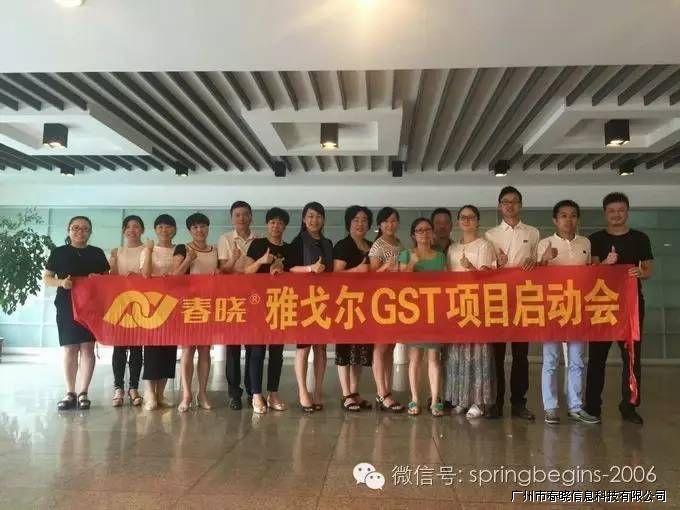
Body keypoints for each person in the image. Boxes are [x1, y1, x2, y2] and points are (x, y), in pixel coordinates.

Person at [585, 192, 653, 425]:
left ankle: (630, 405)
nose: (616, 215)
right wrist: (606, 264)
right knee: (597, 357)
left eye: (621, 210)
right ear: (605, 213)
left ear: (627, 212)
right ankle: (592, 406)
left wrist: (640, 272)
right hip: (601, 304)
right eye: (612, 211)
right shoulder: (594, 239)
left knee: (631, 357)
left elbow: (648, 270)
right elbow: (590, 272)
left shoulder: (640, 238)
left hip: (630, 305)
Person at [537, 200, 600, 425]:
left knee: (577, 360)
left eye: (573, 215)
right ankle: (550, 408)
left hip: (577, 308)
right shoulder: (544, 243)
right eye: (563, 215)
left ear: (578, 219)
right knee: (551, 360)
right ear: (555, 220)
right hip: (552, 308)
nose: (568, 220)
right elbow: (535, 278)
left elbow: (590, 274)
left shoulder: (585, 243)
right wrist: (544, 260)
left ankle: (575, 407)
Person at [43, 216, 110, 411]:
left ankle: (83, 393)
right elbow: (47, 278)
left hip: (91, 306)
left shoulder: (97, 253)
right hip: (66, 304)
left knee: (88, 348)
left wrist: (98, 279)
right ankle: (70, 392)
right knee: (70, 348)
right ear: (69, 230)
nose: (80, 231)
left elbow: (107, 278)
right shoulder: (59, 252)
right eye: (76, 228)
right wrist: (61, 282)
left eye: (85, 228)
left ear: (90, 232)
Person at [485, 186, 539, 420]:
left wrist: (534, 262)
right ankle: (495, 403)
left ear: (520, 205)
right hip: (497, 300)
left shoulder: (533, 233)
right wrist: (498, 263)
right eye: (505, 202)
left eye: (514, 201)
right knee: (496, 356)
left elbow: (538, 264)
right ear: (499, 206)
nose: (510, 205)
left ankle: (519, 403)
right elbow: (486, 269)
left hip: (523, 299)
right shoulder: (490, 235)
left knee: (520, 355)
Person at [444, 205, 497, 418]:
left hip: (477, 305)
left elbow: (487, 278)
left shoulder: (484, 245)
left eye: (471, 217)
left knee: (477, 354)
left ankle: (478, 401)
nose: (466, 221)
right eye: (463, 217)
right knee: (457, 353)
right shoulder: (452, 248)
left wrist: (471, 267)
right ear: (458, 221)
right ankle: (460, 398)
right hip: (457, 305)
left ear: (477, 221)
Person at [286, 202, 333, 413]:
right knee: (303, 348)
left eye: (318, 216)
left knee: (321, 348)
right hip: (304, 301)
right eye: (311, 216)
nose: (315, 220)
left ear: (323, 220)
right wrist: (310, 269)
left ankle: (318, 391)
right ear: (304, 219)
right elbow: (289, 268)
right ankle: (303, 391)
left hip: (325, 300)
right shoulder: (298, 242)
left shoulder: (327, 243)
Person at [243, 207, 289, 414]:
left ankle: (273, 393)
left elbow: (294, 275)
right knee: (257, 350)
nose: (276, 226)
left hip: (280, 304)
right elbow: (246, 272)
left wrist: (280, 270)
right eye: (272, 222)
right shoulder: (258, 244)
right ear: (267, 224)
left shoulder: (289, 248)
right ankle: (255, 394)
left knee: (277, 351)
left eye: (280, 223)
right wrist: (262, 261)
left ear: (284, 226)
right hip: (257, 304)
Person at [399, 218, 447, 417]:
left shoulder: (440, 257)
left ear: (432, 233)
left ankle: (435, 400)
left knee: (434, 358)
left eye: (427, 229)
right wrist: (412, 263)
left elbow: (447, 283)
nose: (424, 233)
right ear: (413, 235)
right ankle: (415, 399)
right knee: (415, 358)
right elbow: (401, 282)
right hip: (413, 313)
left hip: (435, 312)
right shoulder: (406, 254)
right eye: (419, 230)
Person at [174, 212, 219, 412]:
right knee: (187, 350)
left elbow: (220, 275)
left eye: (203, 226)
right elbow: (175, 276)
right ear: (190, 230)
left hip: (208, 305)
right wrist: (188, 260)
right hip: (188, 305)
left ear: (208, 228)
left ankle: (202, 393)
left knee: (205, 350)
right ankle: (186, 394)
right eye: (195, 227)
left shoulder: (214, 250)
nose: (199, 230)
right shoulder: (183, 248)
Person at [218, 200, 258, 410]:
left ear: (251, 217)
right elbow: (223, 270)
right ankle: (234, 393)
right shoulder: (224, 239)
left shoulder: (259, 239)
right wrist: (234, 259)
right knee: (232, 349)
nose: (241, 218)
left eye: (245, 214)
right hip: (232, 300)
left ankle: (253, 391)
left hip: (254, 300)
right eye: (237, 215)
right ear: (231, 218)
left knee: (253, 348)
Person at [333, 206, 374, 412]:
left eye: (364, 220)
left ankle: (355, 392)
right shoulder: (343, 245)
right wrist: (357, 270)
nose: (360, 223)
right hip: (346, 304)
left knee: (360, 351)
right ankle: (346, 394)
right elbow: (335, 275)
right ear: (348, 223)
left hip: (367, 305)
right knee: (345, 350)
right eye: (356, 219)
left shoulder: (372, 246)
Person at [140, 214, 179, 411]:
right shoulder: (148, 249)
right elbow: (146, 274)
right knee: (152, 349)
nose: (165, 230)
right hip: (152, 304)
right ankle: (149, 394)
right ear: (155, 230)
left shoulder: (179, 250)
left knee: (169, 350)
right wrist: (148, 250)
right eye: (161, 227)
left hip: (173, 305)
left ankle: (161, 393)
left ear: (174, 230)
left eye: (169, 226)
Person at [368, 207, 405, 413]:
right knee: (380, 348)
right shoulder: (378, 246)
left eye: (393, 221)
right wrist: (386, 268)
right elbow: (371, 276)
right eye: (386, 221)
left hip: (396, 301)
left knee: (390, 347)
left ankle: (386, 390)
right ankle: (382, 393)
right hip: (381, 301)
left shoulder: (399, 243)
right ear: (380, 224)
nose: (390, 225)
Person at [109, 215, 145, 407]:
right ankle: (118, 388)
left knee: (137, 348)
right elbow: (112, 277)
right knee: (120, 347)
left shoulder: (147, 250)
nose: (132, 230)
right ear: (124, 230)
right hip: (120, 303)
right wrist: (113, 265)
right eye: (128, 227)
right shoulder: (117, 251)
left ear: (142, 230)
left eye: (136, 226)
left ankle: (134, 387)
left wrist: (139, 276)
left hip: (141, 302)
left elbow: (149, 274)